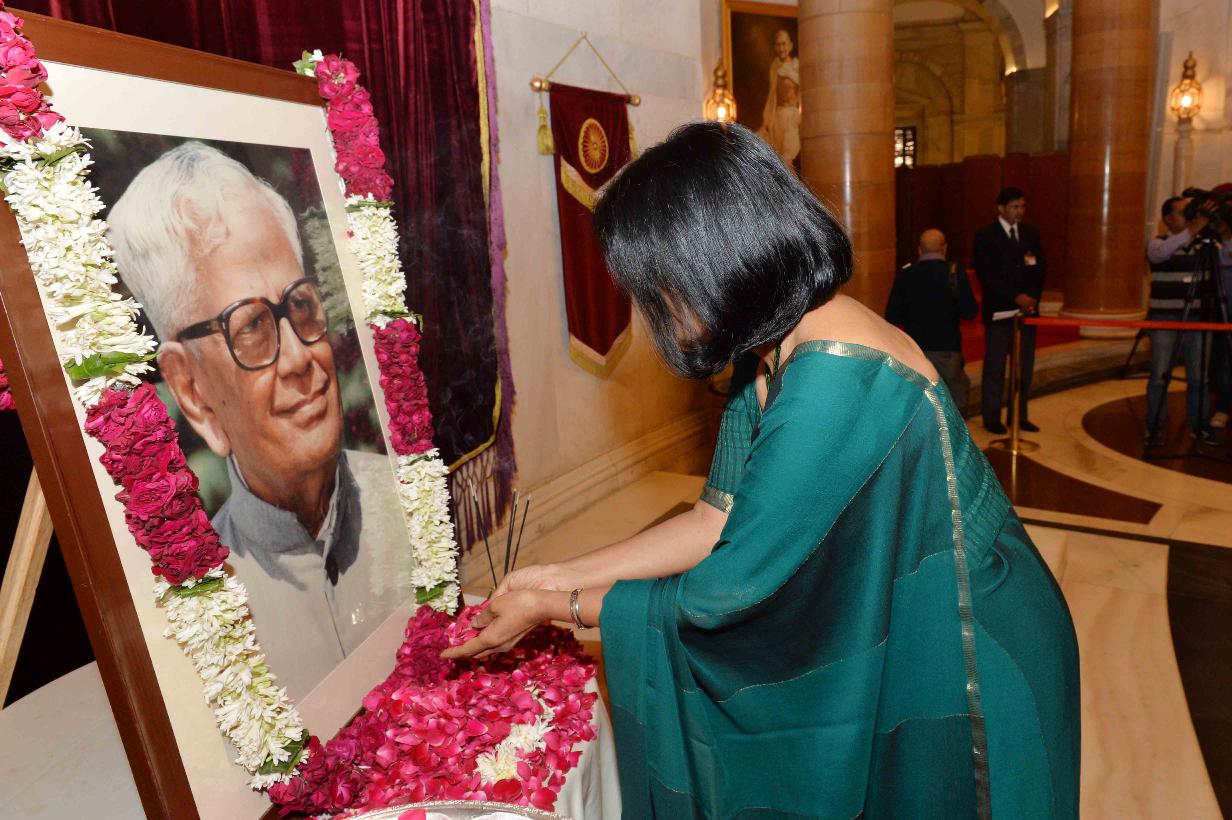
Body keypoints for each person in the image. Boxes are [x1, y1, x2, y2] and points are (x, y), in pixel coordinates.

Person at [444, 123, 1080, 818]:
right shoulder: (775, 349)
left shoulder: (833, 377)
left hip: (963, 639)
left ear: (711, 259)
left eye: (657, 286)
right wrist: (557, 574)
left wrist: (555, 609)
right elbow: (713, 519)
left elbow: (726, 593)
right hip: (916, 613)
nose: (654, 309)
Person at [108, 141, 413, 699]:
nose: (300, 358)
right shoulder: (201, 617)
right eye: (250, 327)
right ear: (192, 391)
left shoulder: (411, 503)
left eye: (300, 305)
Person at [1143, 196, 1219, 446]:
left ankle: (1200, 427)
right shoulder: (1157, 242)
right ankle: (1155, 427)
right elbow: (1160, 255)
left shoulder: (1206, 246)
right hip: (1164, 319)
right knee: (1159, 376)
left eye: (1191, 211)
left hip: (1198, 319)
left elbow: (1226, 259)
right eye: (1183, 212)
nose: (1189, 216)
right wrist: (1193, 230)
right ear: (1167, 218)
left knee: (1199, 378)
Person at [973, 187, 1046, 434]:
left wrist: (1032, 298)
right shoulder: (986, 236)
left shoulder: (1031, 234)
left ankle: (1018, 415)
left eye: (1022, 206)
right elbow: (986, 275)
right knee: (995, 366)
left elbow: (1040, 270)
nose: (1020, 211)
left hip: (1027, 313)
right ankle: (992, 416)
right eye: (1015, 207)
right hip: (1000, 312)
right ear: (1001, 208)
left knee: (1023, 367)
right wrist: (1016, 297)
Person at [885, 228, 978, 409]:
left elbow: (892, 316)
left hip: (915, 351)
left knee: (919, 403)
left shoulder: (906, 274)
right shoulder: (955, 272)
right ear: (945, 248)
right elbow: (970, 312)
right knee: (955, 402)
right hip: (947, 350)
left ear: (919, 250)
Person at [757, 28, 801, 167]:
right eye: (778, 45)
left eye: (784, 44)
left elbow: (803, 93)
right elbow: (772, 97)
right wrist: (766, 122)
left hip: (792, 118)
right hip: (777, 118)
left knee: (788, 160)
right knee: (778, 163)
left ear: (790, 46)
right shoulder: (775, 67)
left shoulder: (797, 66)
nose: (781, 48)